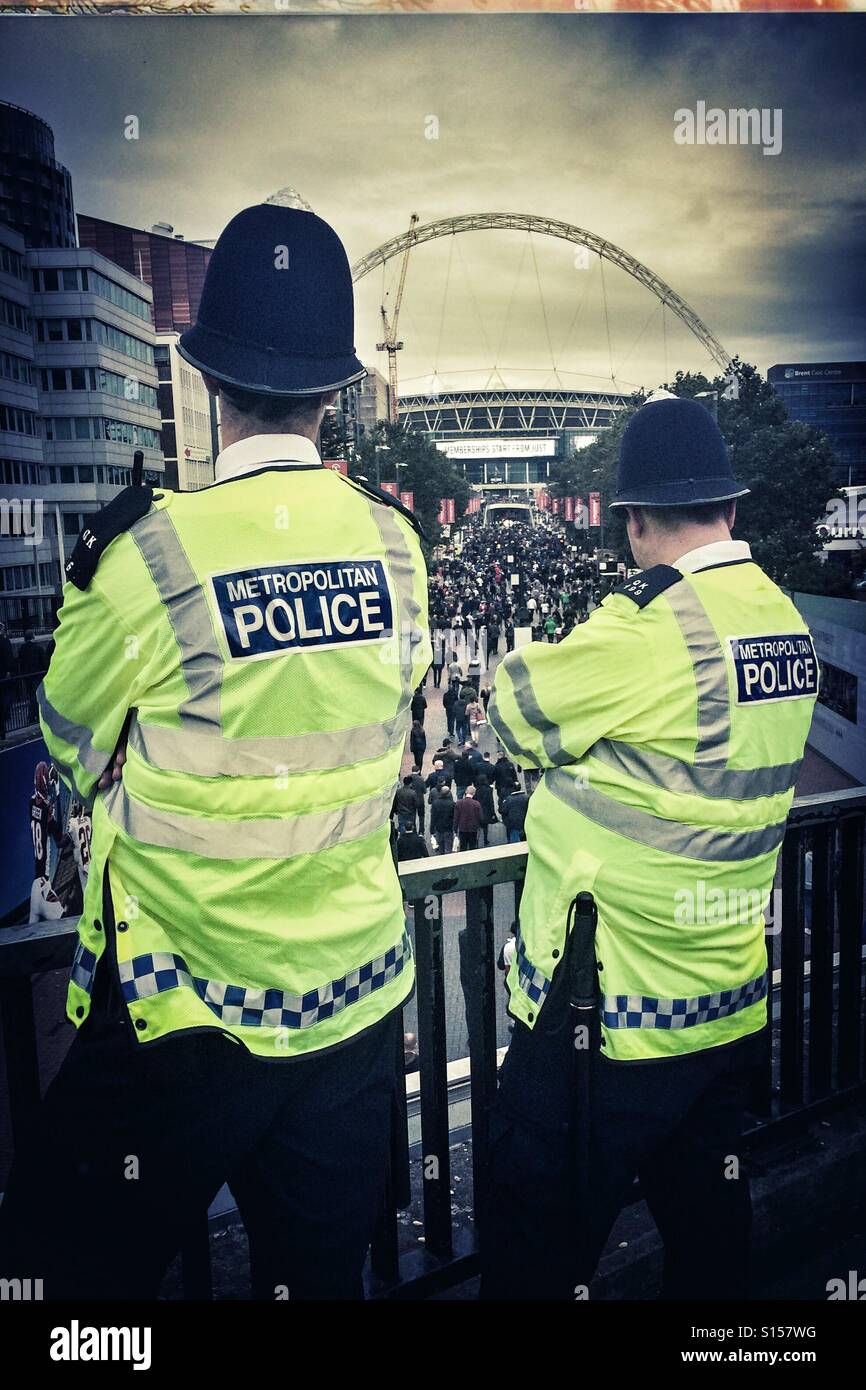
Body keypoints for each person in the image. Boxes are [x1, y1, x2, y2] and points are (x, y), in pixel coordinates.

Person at [0, 197, 431, 1302]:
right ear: (335, 392)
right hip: (352, 1007)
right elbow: (397, 715)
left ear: (201, 379)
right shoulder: (396, 546)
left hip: (179, 1007)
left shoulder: (146, 555)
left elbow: (64, 734)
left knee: (59, 1283)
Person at [482, 395, 818, 1301]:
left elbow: (512, 708)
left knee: (531, 1247)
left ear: (632, 524)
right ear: (733, 509)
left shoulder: (648, 629)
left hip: (608, 1022)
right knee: (710, 1247)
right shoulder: (787, 623)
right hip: (728, 1007)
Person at [452, 785, 482, 853]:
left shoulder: (459, 803)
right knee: (473, 847)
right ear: (474, 793)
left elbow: (456, 818)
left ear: (465, 792)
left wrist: (455, 830)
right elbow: (480, 817)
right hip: (473, 829)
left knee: (463, 848)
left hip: (463, 828)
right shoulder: (476, 804)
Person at [429, 784, 456, 854]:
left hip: (439, 828)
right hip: (448, 828)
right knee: (448, 847)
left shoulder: (435, 803)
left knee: (441, 847)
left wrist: (431, 829)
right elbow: (454, 817)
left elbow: (433, 817)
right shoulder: (452, 804)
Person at [473, 772, 496, 846]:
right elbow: (491, 801)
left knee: (477, 827)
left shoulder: (476, 790)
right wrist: (492, 812)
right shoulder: (488, 789)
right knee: (486, 827)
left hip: (477, 809)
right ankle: (485, 840)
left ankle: (476, 841)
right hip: (486, 810)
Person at [407, 764, 426, 835]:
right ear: (419, 771)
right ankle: (421, 831)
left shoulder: (408, 778)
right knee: (421, 816)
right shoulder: (421, 779)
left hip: (411, 800)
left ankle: (413, 831)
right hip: (420, 800)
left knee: (412, 817)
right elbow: (424, 791)